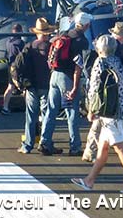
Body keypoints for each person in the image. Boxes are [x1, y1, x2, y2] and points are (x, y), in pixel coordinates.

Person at [71, 35, 123, 193]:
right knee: (103, 147)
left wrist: (91, 110)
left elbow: (94, 89)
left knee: (120, 148)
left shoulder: (100, 62)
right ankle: (89, 181)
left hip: (110, 112)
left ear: (98, 48)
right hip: (121, 107)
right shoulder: (117, 61)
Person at [82, 21, 123, 162]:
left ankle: (91, 153)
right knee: (110, 128)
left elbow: (95, 86)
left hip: (105, 102)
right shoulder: (117, 61)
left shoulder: (100, 63)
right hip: (118, 102)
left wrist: (91, 107)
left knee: (99, 127)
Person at [39, 12, 92, 156]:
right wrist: (75, 87)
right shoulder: (82, 41)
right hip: (67, 78)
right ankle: (75, 146)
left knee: (51, 110)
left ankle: (45, 142)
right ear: (86, 25)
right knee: (72, 112)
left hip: (54, 75)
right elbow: (78, 66)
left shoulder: (64, 33)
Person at [17, 18, 55, 154]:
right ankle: (45, 143)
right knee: (46, 115)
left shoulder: (29, 46)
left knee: (31, 116)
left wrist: (21, 83)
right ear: (47, 33)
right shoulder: (51, 47)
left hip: (31, 85)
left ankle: (27, 145)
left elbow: (18, 64)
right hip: (46, 84)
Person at [1, 24, 25, 115]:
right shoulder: (20, 43)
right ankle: (29, 108)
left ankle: (5, 107)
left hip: (10, 66)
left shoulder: (8, 42)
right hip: (18, 68)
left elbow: (6, 55)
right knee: (24, 87)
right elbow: (23, 56)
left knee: (10, 87)